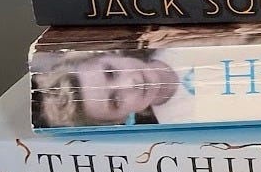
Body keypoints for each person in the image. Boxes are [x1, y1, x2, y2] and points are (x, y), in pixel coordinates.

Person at [32, 50, 192, 128]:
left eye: (111, 72)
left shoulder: (175, 35)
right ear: (120, 119)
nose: (130, 84)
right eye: (115, 101)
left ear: (110, 54)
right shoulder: (182, 128)